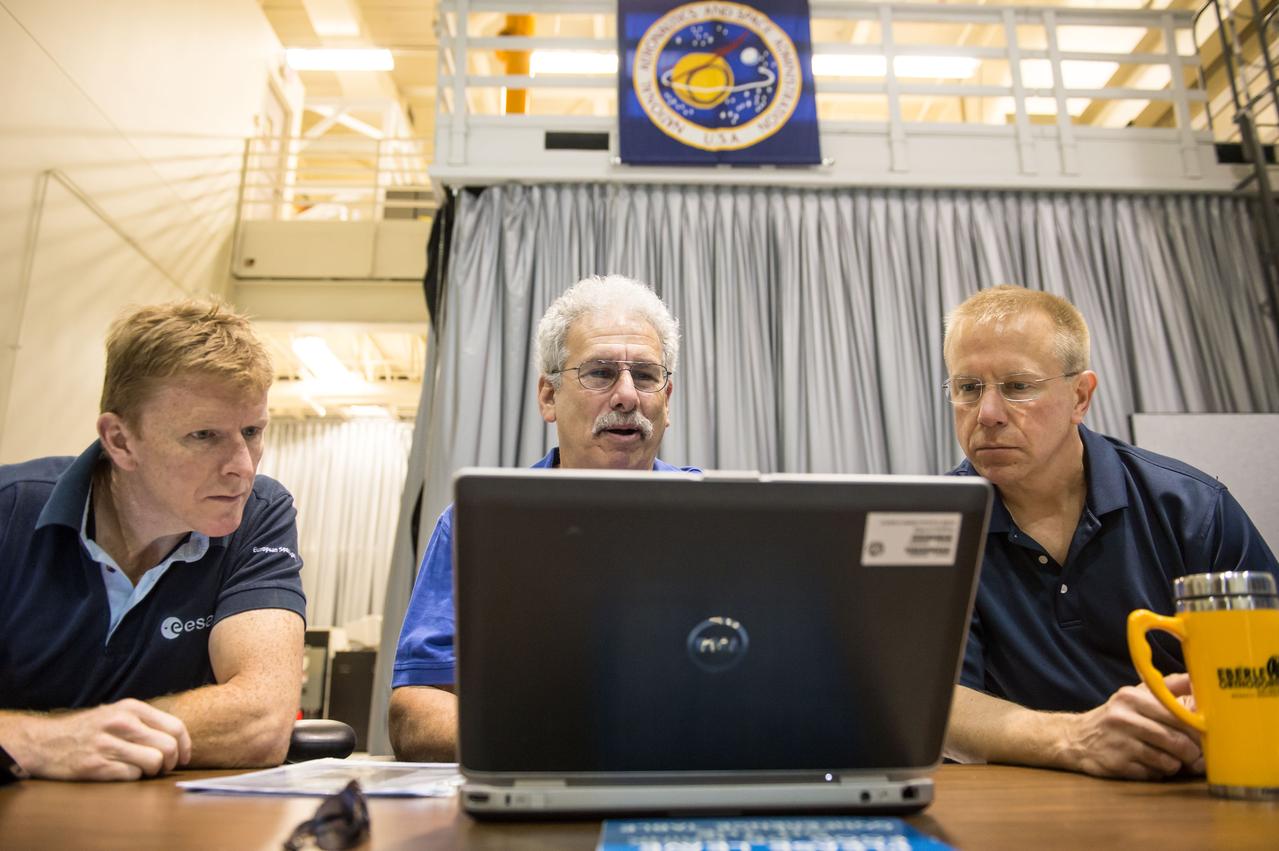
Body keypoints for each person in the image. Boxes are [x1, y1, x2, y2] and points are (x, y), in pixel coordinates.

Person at [941, 284, 1279, 780]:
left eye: (1017, 386)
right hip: (1021, 802)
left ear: (1080, 397)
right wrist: (1078, 738)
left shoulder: (1192, 510)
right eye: (968, 388)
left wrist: (1220, 720)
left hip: (1183, 787)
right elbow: (937, 704)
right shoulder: (934, 528)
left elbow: (1265, 669)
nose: (987, 414)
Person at [389, 274, 700, 761]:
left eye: (645, 375)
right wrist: (560, 737)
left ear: (667, 399)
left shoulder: (718, 519)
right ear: (548, 397)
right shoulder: (480, 524)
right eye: (600, 373)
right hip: (539, 777)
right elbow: (413, 713)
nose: (627, 396)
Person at [0, 299, 306, 782]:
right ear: (120, 440)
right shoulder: (9, 511)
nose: (242, 466)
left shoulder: (259, 513)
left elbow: (261, 720)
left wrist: (81, 733)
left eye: (251, 431)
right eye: (203, 435)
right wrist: (45, 741)